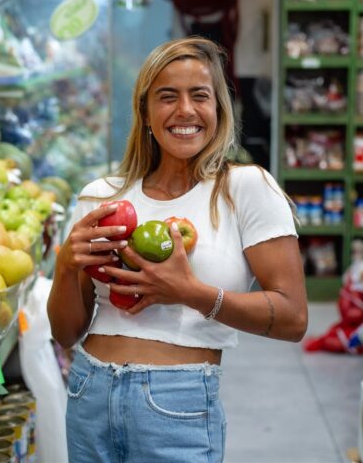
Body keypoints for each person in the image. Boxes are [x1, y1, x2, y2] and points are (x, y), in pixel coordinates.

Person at [47, 36, 307, 463]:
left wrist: (188, 291)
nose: (185, 110)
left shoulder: (245, 189)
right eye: (168, 97)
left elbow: (293, 318)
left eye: (199, 96)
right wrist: (64, 264)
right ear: (146, 112)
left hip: (177, 405)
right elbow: (65, 333)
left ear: (218, 110)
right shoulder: (101, 197)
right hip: (88, 392)